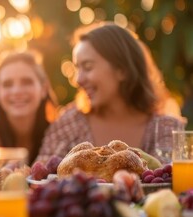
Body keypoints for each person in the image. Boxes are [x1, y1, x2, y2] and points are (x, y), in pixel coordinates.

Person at [35, 23, 184, 163]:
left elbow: (178, 186)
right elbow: (39, 180)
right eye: (77, 68)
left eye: (87, 67)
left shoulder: (166, 129)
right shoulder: (68, 125)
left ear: (122, 70)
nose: (78, 80)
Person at [0, 50, 58, 166]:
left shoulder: (58, 136)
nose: (17, 91)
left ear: (44, 89)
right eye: (7, 84)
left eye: (26, 82)